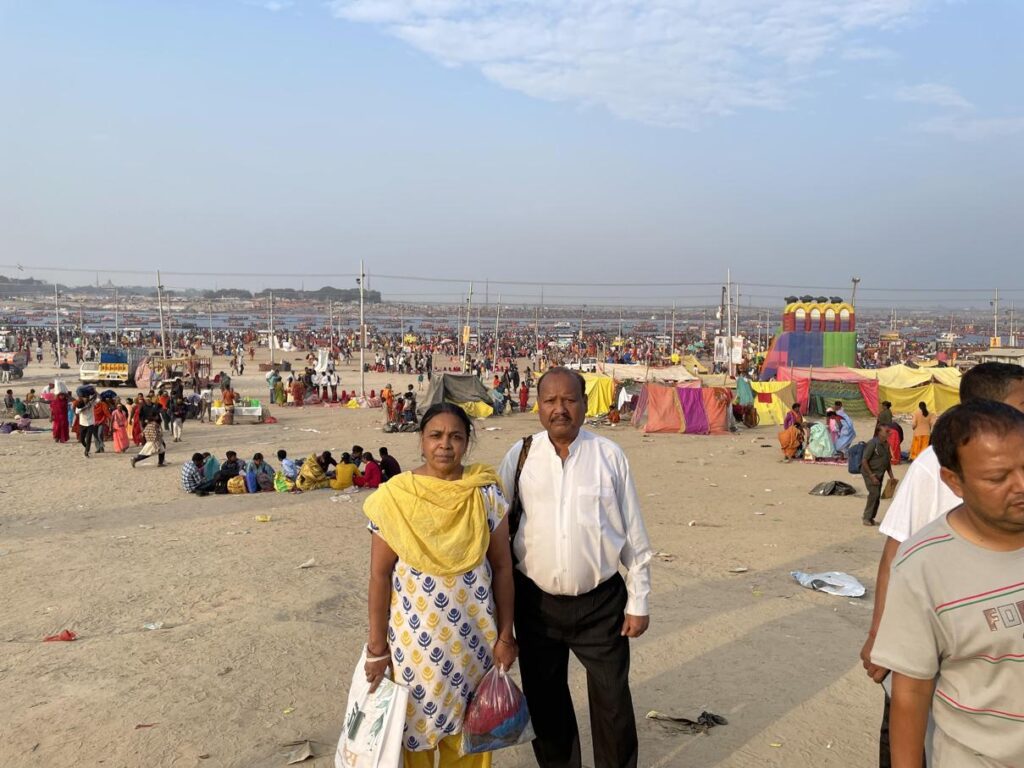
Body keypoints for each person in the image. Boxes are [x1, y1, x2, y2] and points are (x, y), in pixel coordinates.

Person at [860, 362, 1024, 767]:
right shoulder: (929, 475)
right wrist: (881, 633)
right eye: (997, 477)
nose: (1019, 485)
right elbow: (896, 548)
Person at [497, 367, 652, 768]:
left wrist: (639, 599)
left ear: (585, 404)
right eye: (550, 400)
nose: (559, 409)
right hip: (536, 605)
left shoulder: (609, 455)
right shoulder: (520, 456)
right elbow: (497, 532)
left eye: (569, 400)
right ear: (538, 406)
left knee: (613, 702)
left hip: (602, 604)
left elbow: (632, 532)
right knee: (547, 704)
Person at [362, 402, 516, 765]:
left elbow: (503, 568)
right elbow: (379, 576)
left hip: (474, 643)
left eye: (455, 437)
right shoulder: (395, 498)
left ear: (466, 443)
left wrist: (506, 635)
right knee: (415, 736)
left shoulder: (485, 494)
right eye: (436, 435)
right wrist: (376, 647)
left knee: (469, 739)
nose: (445, 445)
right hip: (413, 647)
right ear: (421, 440)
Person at [861, 424, 895, 527]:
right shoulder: (872, 444)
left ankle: (871, 518)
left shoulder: (886, 444)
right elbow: (864, 460)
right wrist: (871, 475)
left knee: (877, 496)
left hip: (880, 473)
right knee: (874, 494)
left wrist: (891, 476)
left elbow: (887, 461)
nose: (889, 433)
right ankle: (867, 517)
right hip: (870, 473)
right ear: (879, 432)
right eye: (886, 431)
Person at [75, 393, 98, 458]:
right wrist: (84, 408)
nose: (86, 399)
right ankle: (87, 447)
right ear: (82, 398)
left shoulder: (92, 403)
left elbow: (99, 399)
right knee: (82, 439)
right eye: (85, 397)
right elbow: (77, 412)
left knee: (88, 439)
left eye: (87, 397)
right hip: (82, 423)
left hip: (90, 423)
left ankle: (86, 452)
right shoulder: (79, 404)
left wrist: (95, 392)